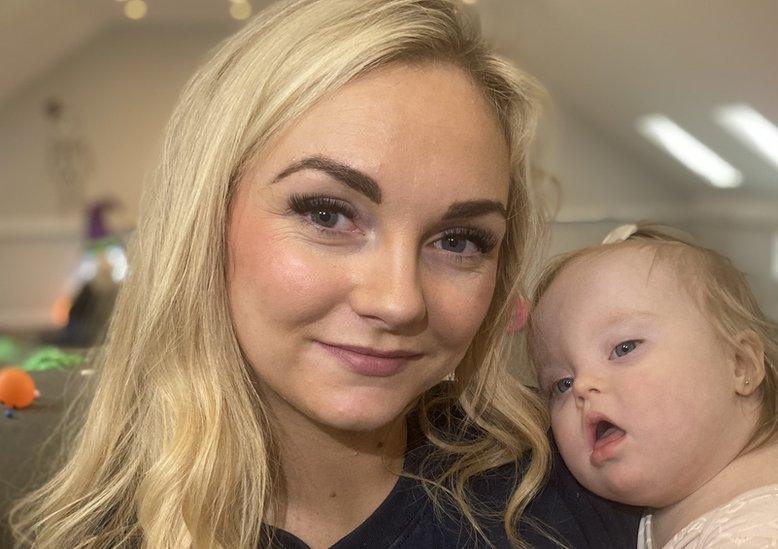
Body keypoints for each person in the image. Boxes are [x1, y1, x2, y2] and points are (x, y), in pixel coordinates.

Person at [8, 1, 639, 547]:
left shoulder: (585, 486)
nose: (398, 302)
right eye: (327, 213)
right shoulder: (91, 531)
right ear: (205, 220)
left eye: (458, 240)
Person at [528, 222, 778, 548]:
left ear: (740, 365)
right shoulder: (703, 481)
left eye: (624, 348)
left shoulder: (771, 536)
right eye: (561, 383)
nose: (582, 386)